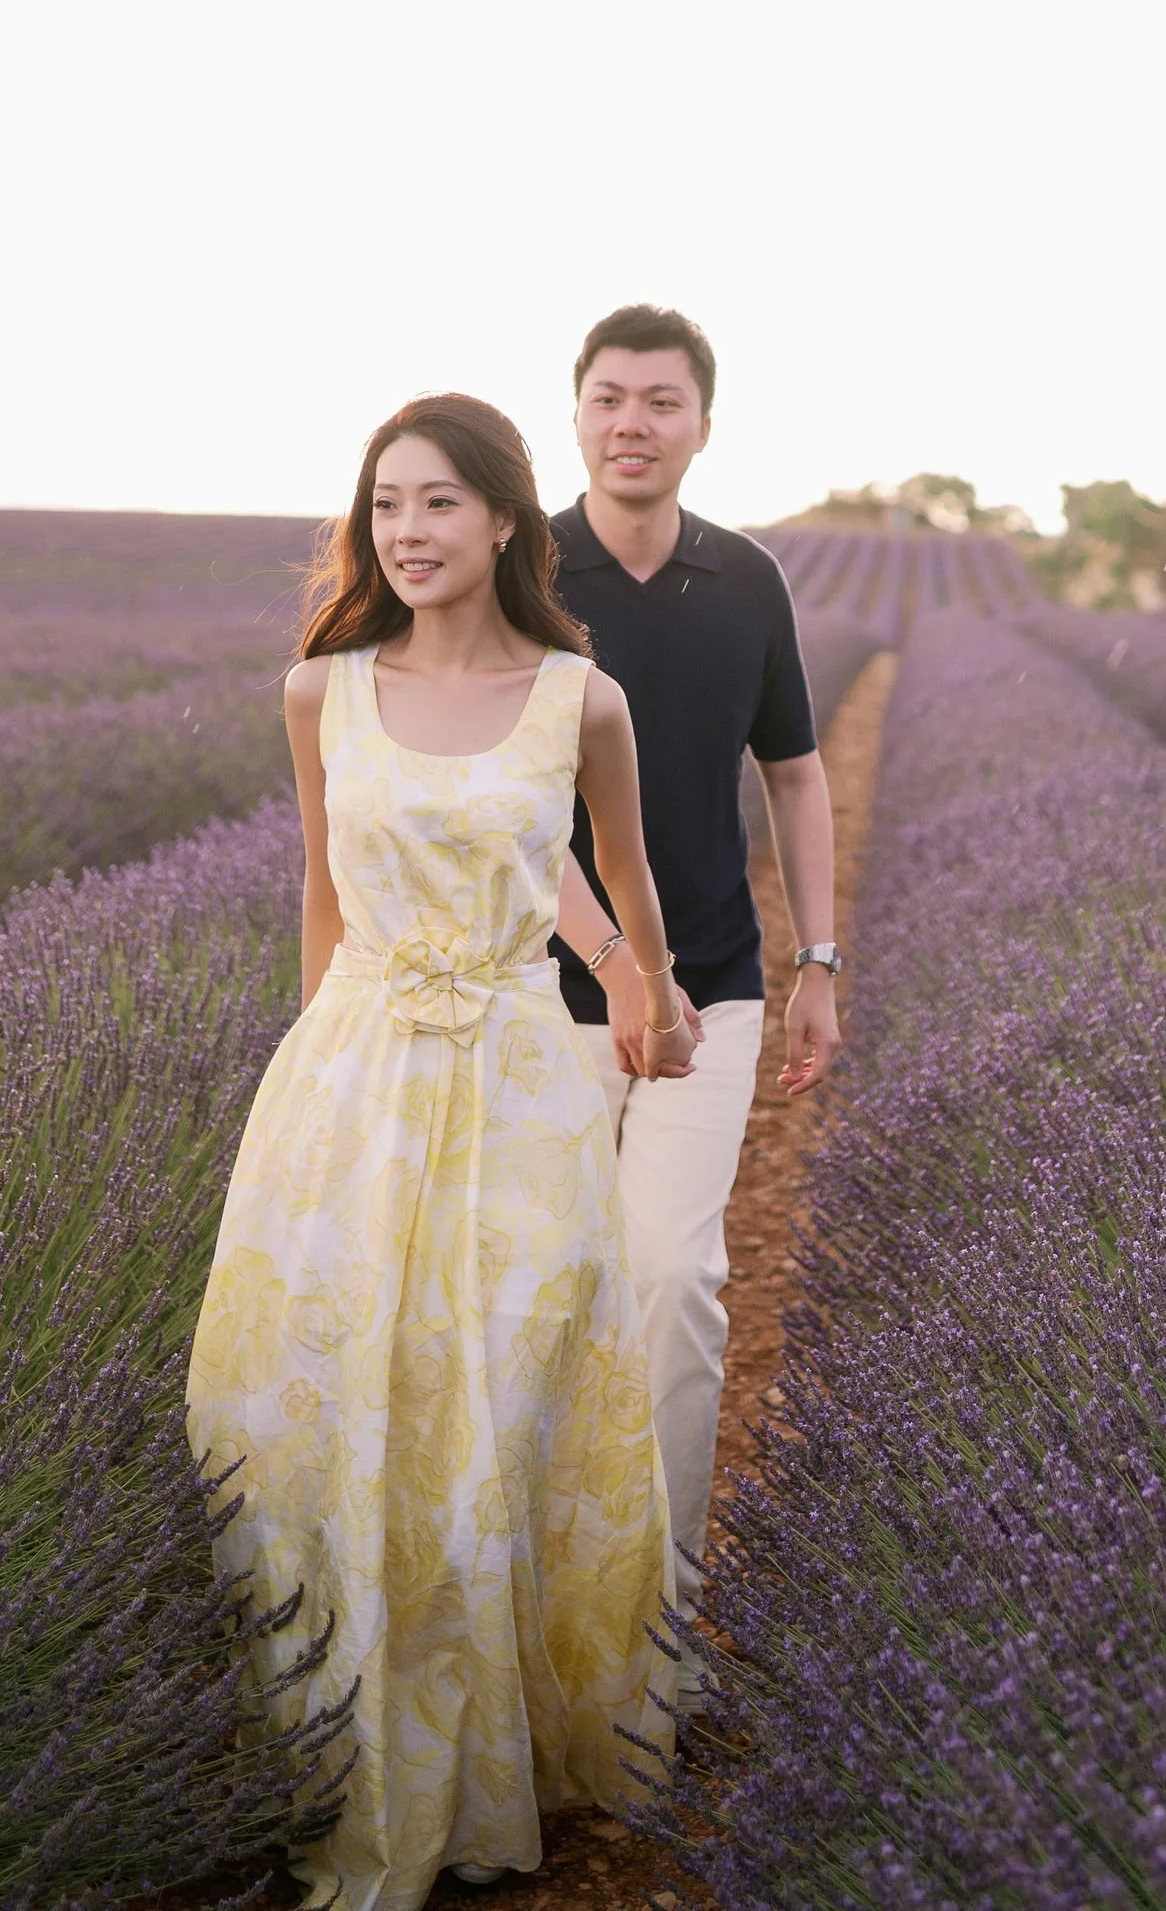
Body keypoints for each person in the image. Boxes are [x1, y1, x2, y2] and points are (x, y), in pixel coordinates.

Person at [187, 392, 693, 1911]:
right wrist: (317, 1073)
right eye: (386, 505)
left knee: (501, 1400)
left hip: (523, 1084)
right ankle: (345, 1752)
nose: (407, 532)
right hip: (353, 1082)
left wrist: (647, 1001)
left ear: (503, 526)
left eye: (439, 506)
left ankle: (495, 1751)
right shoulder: (318, 691)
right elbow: (320, 894)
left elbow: (605, 872)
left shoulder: (577, 701)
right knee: (315, 1408)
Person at [548, 304, 841, 1643]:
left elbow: (794, 768)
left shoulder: (748, 582)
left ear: (703, 427)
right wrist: (610, 958)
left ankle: (645, 1621)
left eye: (660, 403)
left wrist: (818, 958)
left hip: (710, 993)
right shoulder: (523, 571)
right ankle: (528, 1610)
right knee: (539, 1300)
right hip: (534, 1000)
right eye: (609, 399)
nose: (632, 425)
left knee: (672, 1283)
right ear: (576, 414)